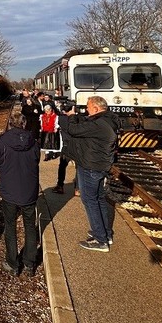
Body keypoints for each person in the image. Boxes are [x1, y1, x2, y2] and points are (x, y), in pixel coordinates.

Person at [0, 110, 41, 277]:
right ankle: (29, 263)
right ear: (24, 124)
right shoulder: (34, 142)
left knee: (10, 227)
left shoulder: (2, 142)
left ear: (10, 124)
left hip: (9, 190)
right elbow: (36, 159)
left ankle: (13, 263)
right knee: (30, 226)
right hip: (29, 190)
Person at [58, 95, 118, 252]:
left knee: (90, 201)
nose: (86, 110)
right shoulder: (107, 120)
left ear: (96, 108)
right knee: (98, 199)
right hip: (98, 166)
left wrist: (71, 117)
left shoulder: (98, 124)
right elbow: (86, 124)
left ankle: (100, 240)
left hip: (90, 166)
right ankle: (105, 234)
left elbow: (73, 130)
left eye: (88, 107)